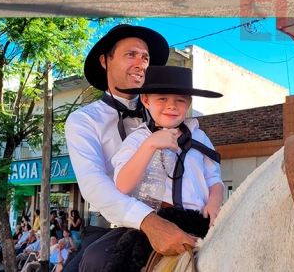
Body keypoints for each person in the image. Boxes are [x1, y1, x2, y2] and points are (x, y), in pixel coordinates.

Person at [64, 24, 196, 272]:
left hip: (172, 217)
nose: (141, 63)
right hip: (108, 228)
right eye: (130, 55)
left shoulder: (166, 113)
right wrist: (147, 221)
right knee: (92, 262)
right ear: (105, 61)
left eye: (145, 57)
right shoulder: (83, 120)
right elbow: (94, 184)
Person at [112, 66, 223, 227]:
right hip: (158, 223)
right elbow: (123, 186)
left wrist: (215, 203)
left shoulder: (199, 136)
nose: (172, 106)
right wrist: (150, 145)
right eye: (162, 99)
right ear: (146, 100)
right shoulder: (137, 139)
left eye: (180, 100)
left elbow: (214, 179)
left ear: (189, 102)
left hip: (200, 220)